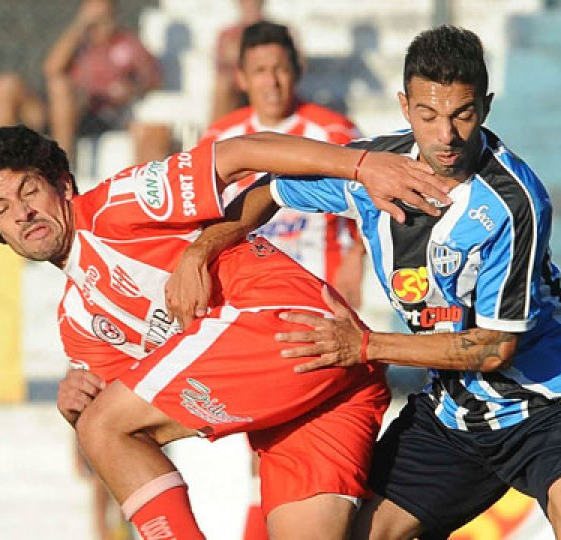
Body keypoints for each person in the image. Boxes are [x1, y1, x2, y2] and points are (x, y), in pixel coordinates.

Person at [166, 26, 561, 540]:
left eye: (462, 115)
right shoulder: (376, 171)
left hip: (549, 403)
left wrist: (364, 345)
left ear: (486, 107)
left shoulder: (514, 201)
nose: (446, 135)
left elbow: (495, 347)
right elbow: (268, 191)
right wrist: (200, 250)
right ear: (405, 106)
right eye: (428, 116)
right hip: (455, 414)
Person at [0, 125, 448, 540]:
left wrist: (361, 165)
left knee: (103, 426)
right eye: (1, 209)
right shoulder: (78, 324)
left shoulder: (117, 205)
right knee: (101, 424)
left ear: (63, 185)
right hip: (323, 382)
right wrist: (77, 408)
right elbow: (128, 438)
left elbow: (242, 153)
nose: (22, 213)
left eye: (29, 191)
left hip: (283, 320)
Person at [201, 21, 366, 537]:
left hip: (318, 308)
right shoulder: (220, 140)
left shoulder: (334, 132)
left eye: (279, 69)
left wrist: (354, 275)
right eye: (260, 70)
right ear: (241, 78)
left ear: (296, 71)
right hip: (249, 308)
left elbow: (368, 214)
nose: (271, 81)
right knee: (272, 450)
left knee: (292, 452)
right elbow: (203, 225)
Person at [0, 0, 170, 165]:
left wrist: (130, 89)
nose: (99, 23)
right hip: (58, 111)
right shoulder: (76, 42)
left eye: (103, 16)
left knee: (60, 87)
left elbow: (154, 80)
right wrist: (80, 26)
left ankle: (60, 165)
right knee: (7, 84)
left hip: (99, 113)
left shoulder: (128, 43)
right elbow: (51, 68)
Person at [210, 0, 266, 123]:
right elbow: (220, 67)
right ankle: (217, 131)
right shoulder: (227, 35)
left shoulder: (279, 32)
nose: (251, 5)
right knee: (223, 85)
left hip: (265, 80)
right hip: (237, 85)